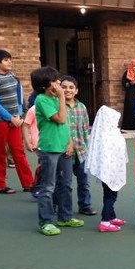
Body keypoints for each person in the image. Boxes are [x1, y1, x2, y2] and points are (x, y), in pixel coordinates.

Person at [32, 67, 83, 236]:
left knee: (66, 184)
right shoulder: (42, 100)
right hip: (50, 148)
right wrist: (61, 96)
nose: (59, 84)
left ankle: (65, 216)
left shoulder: (56, 99)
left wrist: (70, 143)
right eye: (55, 81)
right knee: (48, 186)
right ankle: (45, 221)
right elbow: (60, 118)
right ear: (45, 85)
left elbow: (65, 124)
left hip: (63, 147)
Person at [0, 49, 34, 194]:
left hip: (15, 120)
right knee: (0, 152)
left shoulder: (13, 76)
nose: (9, 62)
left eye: (10, 59)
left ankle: (29, 183)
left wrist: (18, 116)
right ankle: (0, 185)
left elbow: (19, 98)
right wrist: (10, 118)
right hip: (0, 121)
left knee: (18, 151)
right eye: (6, 60)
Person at [86, 106, 129, 232]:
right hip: (110, 170)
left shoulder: (107, 133)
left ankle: (111, 216)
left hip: (111, 169)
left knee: (110, 193)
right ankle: (105, 220)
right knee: (111, 195)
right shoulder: (108, 135)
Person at [59, 75, 96, 216]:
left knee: (84, 181)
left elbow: (85, 129)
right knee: (63, 182)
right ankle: (60, 206)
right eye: (64, 87)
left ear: (76, 90)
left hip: (81, 151)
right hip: (64, 151)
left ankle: (85, 205)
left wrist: (87, 147)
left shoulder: (82, 107)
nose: (67, 90)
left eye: (71, 87)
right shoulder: (58, 106)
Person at [120, 59, 135, 131]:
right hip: (130, 93)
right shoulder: (126, 74)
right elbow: (124, 84)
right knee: (130, 107)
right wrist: (131, 83)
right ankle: (129, 126)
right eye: (134, 66)